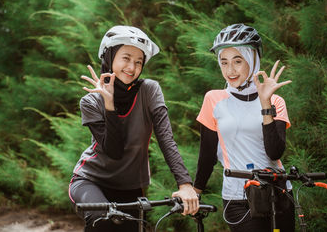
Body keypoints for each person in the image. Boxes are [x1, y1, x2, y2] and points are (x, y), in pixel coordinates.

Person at [68, 25, 199, 232]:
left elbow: (166, 139)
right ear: (109, 58)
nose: (132, 67)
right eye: (126, 58)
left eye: (139, 62)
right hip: (91, 181)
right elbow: (114, 150)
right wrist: (109, 105)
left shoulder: (149, 90)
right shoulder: (91, 101)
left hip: (131, 186)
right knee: (103, 220)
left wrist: (185, 184)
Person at [193, 23, 295, 231]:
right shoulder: (214, 99)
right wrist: (195, 191)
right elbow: (207, 153)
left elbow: (274, 151)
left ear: (253, 59)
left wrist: (265, 103)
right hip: (238, 198)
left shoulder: (276, 101)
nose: (230, 70)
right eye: (224, 62)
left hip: (279, 194)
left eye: (237, 61)